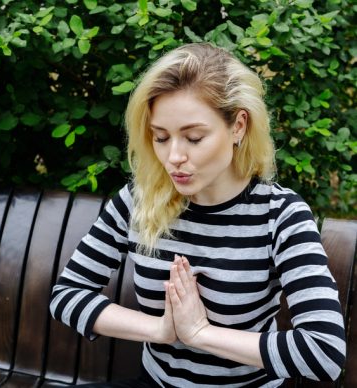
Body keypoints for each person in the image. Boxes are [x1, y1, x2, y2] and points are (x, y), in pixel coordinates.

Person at [50, 43, 346, 387]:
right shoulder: (139, 201)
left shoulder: (280, 216)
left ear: (238, 126)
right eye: (161, 137)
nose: (174, 156)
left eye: (193, 137)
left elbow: (324, 352)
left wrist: (200, 333)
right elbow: (67, 294)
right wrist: (160, 329)